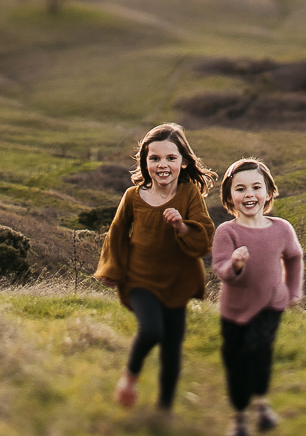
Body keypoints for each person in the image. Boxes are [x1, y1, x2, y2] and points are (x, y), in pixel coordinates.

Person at [93, 123, 217, 411]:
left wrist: (181, 225)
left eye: (171, 158)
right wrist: (113, 270)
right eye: (155, 158)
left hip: (177, 280)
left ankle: (164, 410)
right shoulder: (133, 197)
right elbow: (117, 232)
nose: (163, 165)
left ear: (183, 161)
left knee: (172, 348)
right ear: (145, 162)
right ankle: (130, 377)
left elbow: (204, 234)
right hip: (139, 279)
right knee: (152, 331)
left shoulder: (189, 195)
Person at [211, 157, 303, 436]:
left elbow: (295, 257)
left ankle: (261, 404)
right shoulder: (227, 232)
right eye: (240, 189)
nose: (249, 194)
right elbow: (221, 270)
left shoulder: (282, 229)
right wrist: (236, 264)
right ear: (229, 197)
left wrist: (293, 291)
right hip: (235, 309)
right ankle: (239, 418)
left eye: (256, 187)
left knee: (260, 352)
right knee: (235, 360)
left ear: (269, 192)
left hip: (270, 305)